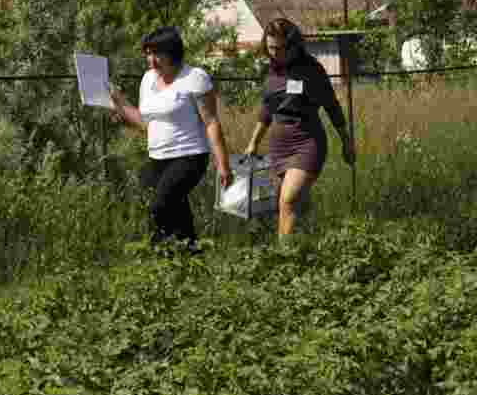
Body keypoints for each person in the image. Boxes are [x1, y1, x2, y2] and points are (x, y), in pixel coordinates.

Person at [109, 26, 233, 253]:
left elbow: (212, 122)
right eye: (148, 54)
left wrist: (223, 163)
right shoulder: (147, 80)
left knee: (160, 206)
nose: (151, 60)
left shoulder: (195, 78)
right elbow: (145, 122)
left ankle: (160, 254)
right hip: (158, 157)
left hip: (189, 156)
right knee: (175, 210)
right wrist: (122, 109)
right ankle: (191, 257)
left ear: (173, 53)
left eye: (157, 54)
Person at [243, 18, 355, 242]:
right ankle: (307, 248)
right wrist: (253, 143)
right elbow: (267, 109)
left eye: (281, 48)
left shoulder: (312, 69)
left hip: (307, 142)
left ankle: (283, 257)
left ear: (294, 45)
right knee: (285, 205)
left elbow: (332, 107)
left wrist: (346, 141)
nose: (276, 53)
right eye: (271, 47)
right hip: (278, 145)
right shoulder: (272, 71)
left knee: (288, 200)